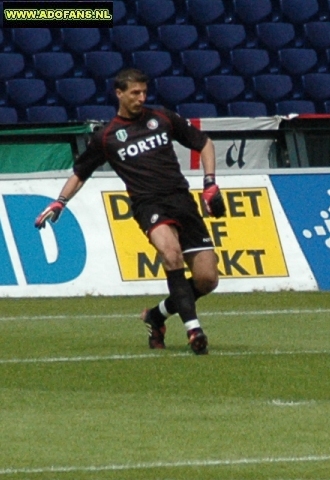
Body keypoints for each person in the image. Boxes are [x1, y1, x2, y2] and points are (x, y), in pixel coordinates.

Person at [34, 68, 226, 356]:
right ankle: (194, 330)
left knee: (207, 279)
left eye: (144, 92)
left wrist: (210, 182)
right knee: (170, 254)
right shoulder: (107, 137)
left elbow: (204, 143)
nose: (141, 98)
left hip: (181, 200)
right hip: (148, 204)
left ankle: (157, 316)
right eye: (135, 93)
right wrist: (60, 200)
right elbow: (80, 173)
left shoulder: (162, 118)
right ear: (119, 93)